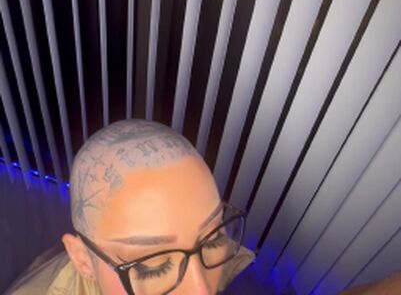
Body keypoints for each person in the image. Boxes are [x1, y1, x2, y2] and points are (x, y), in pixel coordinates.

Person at [6, 119, 254, 294]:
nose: (202, 290)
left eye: (211, 240)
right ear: (83, 261)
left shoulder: (213, 260)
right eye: (153, 267)